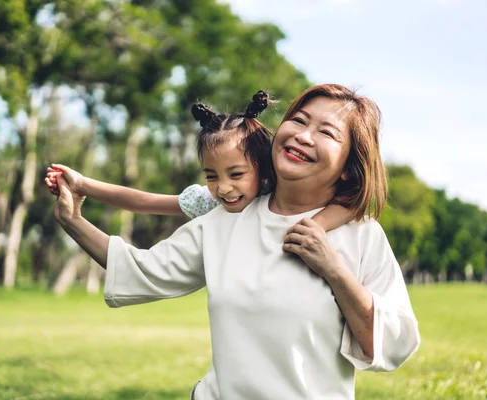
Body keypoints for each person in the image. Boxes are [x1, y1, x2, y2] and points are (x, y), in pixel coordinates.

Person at [52, 84, 420, 399]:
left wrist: (336, 271)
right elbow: (140, 270)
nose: (304, 135)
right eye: (299, 120)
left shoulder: (361, 234)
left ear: (347, 166)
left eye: (327, 132)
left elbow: (393, 344)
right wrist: (73, 221)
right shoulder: (224, 219)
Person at [45, 90, 353, 229]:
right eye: (211, 176)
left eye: (235, 174)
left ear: (263, 166)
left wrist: (316, 226)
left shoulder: (283, 192)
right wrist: (84, 184)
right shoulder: (210, 203)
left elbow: (353, 201)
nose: (223, 188)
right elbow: (143, 201)